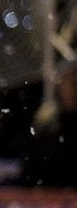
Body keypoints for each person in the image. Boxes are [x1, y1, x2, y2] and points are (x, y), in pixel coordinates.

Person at [21, 61, 77, 189]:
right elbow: (34, 167)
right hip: (51, 193)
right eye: (72, 84)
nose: (74, 91)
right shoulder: (47, 123)